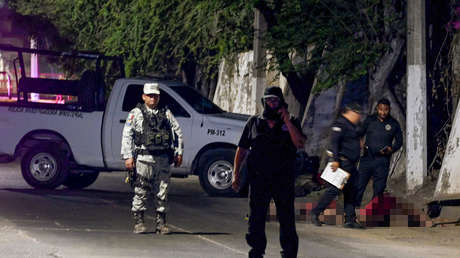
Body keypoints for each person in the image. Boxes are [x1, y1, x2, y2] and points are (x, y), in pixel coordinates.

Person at [232, 86, 306, 258]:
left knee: (286, 218)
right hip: (259, 178)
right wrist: (236, 174)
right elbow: (241, 149)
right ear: (264, 102)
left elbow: (300, 144)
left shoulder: (292, 121)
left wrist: (287, 121)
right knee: (256, 217)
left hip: (283, 178)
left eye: (275, 100)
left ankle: (289, 253)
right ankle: (256, 251)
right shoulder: (254, 122)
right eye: (269, 100)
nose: (272, 103)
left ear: (281, 102)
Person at [121, 82, 183, 235]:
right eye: (149, 96)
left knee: (162, 191)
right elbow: (127, 135)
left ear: (159, 97)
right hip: (143, 158)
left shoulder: (166, 113)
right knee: (141, 190)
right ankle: (139, 222)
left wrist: (179, 152)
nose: (153, 99)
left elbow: (177, 132)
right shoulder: (135, 113)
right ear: (143, 96)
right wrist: (128, 156)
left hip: (162, 158)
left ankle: (161, 223)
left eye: (155, 96)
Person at [310, 103, 364, 229]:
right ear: (349, 112)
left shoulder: (352, 126)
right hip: (342, 163)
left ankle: (350, 219)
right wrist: (335, 160)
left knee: (351, 191)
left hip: (351, 164)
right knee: (334, 190)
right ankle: (316, 212)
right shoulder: (340, 124)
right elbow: (334, 142)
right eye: (356, 113)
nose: (358, 116)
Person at [355, 98, 402, 208]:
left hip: (382, 160)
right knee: (359, 185)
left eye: (386, 110)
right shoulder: (369, 120)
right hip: (367, 158)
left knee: (379, 188)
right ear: (377, 109)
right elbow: (359, 133)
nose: (383, 112)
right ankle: (352, 212)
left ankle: (373, 212)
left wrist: (391, 149)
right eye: (381, 109)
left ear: (389, 109)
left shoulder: (394, 123)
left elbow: (399, 142)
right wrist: (360, 143)